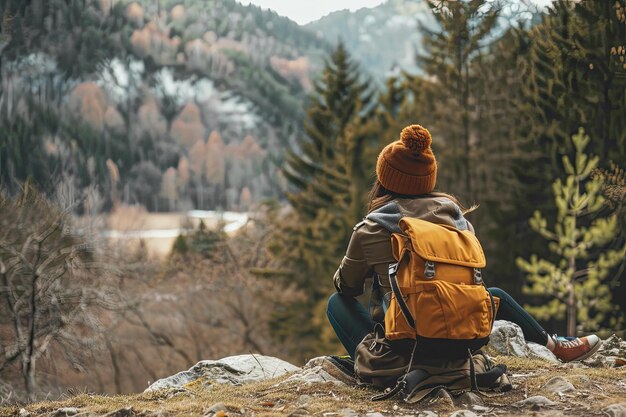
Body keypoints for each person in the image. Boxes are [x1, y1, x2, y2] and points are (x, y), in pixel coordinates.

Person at [327, 124, 602, 364]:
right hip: (463, 343)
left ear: (383, 179)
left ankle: (369, 359)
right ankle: (555, 346)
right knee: (493, 293)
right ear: (428, 179)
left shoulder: (372, 227)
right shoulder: (459, 222)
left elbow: (348, 287)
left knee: (336, 302)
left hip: (405, 344)